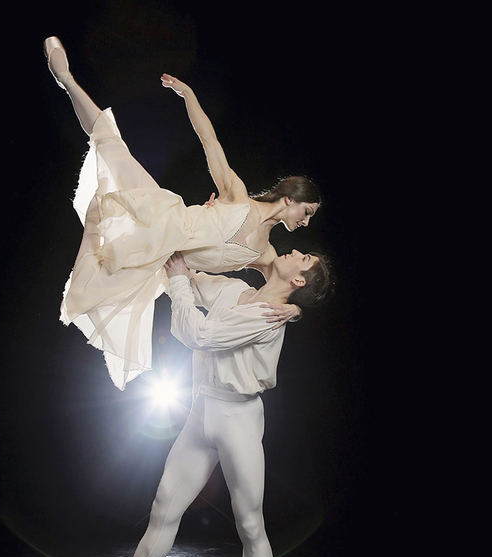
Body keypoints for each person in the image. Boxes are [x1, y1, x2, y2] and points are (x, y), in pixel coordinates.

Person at [85, 245, 333, 557]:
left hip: (238, 418)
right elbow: (186, 278)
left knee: (251, 525)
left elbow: (197, 334)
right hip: (201, 410)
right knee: (163, 508)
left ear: (298, 282)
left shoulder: (269, 316)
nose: (295, 251)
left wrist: (182, 279)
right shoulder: (235, 290)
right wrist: (176, 251)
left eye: (304, 258)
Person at [44, 36, 322, 389]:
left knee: (89, 293)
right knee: (114, 145)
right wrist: (188, 94)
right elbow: (210, 140)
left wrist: (296, 312)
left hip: (161, 262)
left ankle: (94, 229)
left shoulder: (265, 255)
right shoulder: (238, 196)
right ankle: (66, 78)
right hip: (163, 215)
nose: (306, 221)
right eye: (307, 211)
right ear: (291, 198)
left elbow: (282, 292)